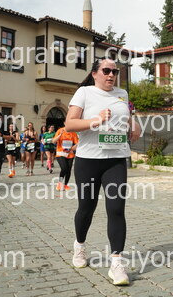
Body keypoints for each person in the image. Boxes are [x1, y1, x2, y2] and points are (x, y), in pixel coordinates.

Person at [65, 58, 140, 286]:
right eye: (106, 71)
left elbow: (128, 118)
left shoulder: (122, 94)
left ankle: (117, 263)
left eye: (114, 71)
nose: (111, 75)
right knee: (86, 208)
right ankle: (79, 245)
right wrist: (96, 120)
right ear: (95, 73)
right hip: (88, 160)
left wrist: (134, 125)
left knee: (116, 209)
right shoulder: (84, 93)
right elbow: (70, 124)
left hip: (116, 159)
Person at [52, 118, 79, 191]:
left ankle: (65, 185)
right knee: (64, 168)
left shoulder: (73, 133)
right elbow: (53, 141)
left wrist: (72, 148)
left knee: (68, 170)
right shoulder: (60, 131)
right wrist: (60, 135)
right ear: (64, 123)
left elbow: (77, 143)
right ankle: (60, 183)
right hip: (60, 153)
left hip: (70, 154)